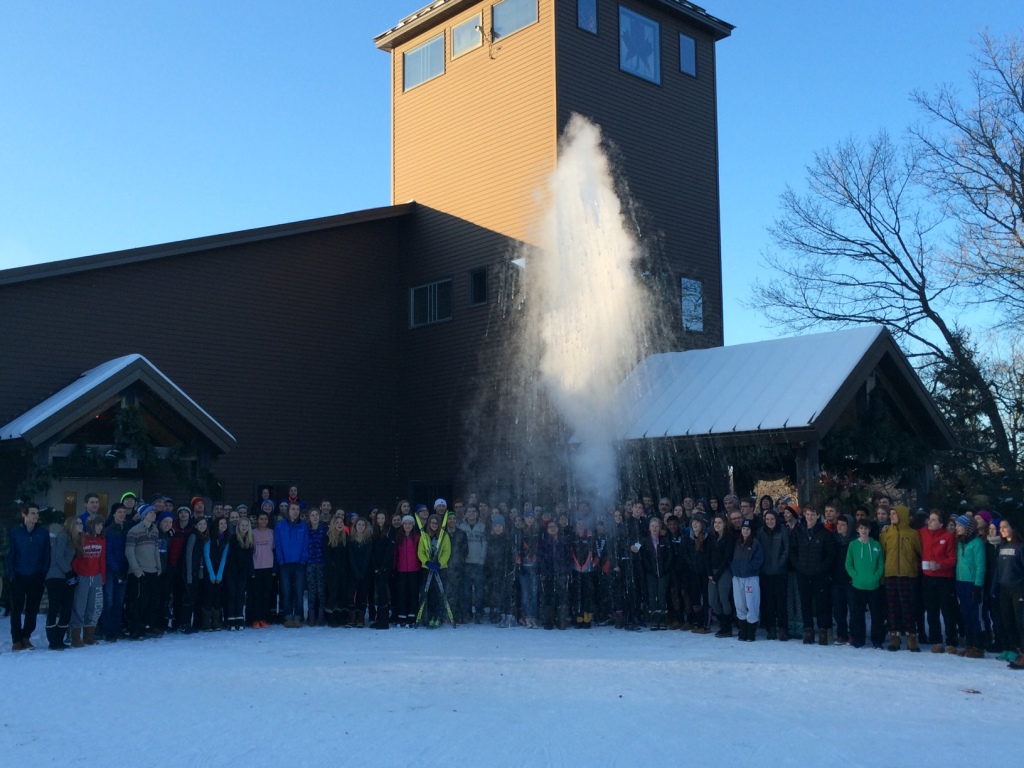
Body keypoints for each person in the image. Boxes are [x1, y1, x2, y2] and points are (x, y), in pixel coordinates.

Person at [789, 505, 835, 646]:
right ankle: (808, 630)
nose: (810, 517)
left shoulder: (825, 533)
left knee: (822, 603)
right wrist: (798, 566)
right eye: (808, 514)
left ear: (818, 516)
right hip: (802, 573)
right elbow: (793, 552)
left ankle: (822, 630)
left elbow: (830, 555)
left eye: (813, 514)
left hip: (819, 574)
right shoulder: (798, 532)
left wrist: (821, 568)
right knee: (805, 603)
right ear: (804, 515)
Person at [880, 505, 922, 651]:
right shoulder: (886, 533)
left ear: (902, 515)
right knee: (892, 607)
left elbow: (920, 552)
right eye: (890, 514)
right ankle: (894, 637)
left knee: (908, 607)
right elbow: (882, 553)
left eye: (894, 514)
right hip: (890, 574)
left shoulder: (913, 534)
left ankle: (911, 637)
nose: (891, 516)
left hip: (908, 575)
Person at [920, 509, 958, 653]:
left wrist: (940, 565)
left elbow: (952, 559)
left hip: (944, 578)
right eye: (930, 519)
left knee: (947, 610)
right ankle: (936, 640)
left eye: (934, 519)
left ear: (941, 523)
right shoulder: (922, 533)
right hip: (927, 577)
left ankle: (951, 641)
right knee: (931, 611)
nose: (930, 521)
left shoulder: (948, 537)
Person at [845, 519, 886, 649]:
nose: (864, 530)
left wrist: (876, 576)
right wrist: (855, 576)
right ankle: (859, 638)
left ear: (869, 530)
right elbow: (848, 563)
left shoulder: (876, 545)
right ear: (857, 530)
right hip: (858, 586)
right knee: (857, 614)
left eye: (866, 528)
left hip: (874, 586)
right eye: (861, 528)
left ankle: (877, 639)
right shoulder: (853, 545)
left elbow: (881, 564)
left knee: (876, 614)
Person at [124, 504, 161, 640]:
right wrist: (136, 570)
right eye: (150, 512)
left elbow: (156, 549)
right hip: (140, 571)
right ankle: (135, 630)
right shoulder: (134, 531)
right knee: (138, 602)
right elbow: (129, 551)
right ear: (144, 514)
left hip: (152, 570)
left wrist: (158, 566)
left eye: (154, 512)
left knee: (151, 601)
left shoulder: (155, 530)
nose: (153, 514)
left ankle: (146, 627)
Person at [954, 514, 986, 658]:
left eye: (960, 525)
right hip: (960, 581)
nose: (957, 528)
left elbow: (981, 566)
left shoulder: (977, 543)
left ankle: (978, 646)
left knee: (974, 615)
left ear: (968, 528)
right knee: (964, 614)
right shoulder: (960, 542)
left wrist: (978, 585)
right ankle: (969, 644)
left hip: (972, 583)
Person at [71, 514, 106, 646]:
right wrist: (77, 572)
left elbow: (102, 559)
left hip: (96, 576)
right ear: (91, 525)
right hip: (82, 576)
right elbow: (75, 559)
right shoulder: (81, 538)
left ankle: (88, 635)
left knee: (95, 606)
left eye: (101, 525)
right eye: (97, 525)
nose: (100, 527)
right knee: (79, 606)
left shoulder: (102, 540)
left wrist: (103, 576)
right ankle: (75, 636)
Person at [45, 516, 77, 651]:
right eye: (78, 524)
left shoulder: (73, 540)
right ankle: (53, 640)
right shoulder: (63, 537)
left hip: (65, 577)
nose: (81, 526)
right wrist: (69, 572)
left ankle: (60, 638)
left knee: (66, 609)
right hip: (56, 577)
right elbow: (58, 557)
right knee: (54, 608)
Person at [275, 502, 309, 629]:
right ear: (288, 511)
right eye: (293, 509)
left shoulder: (303, 526)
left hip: (299, 563)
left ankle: (299, 616)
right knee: (286, 590)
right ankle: (288, 616)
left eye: (297, 509)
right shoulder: (280, 526)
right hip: (285, 563)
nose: (295, 511)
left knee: (299, 591)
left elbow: (306, 544)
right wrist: (281, 560)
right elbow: (278, 544)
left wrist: (303, 559)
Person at [756, 508, 789, 640]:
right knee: (768, 602)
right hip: (765, 573)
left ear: (776, 520)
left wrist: (780, 563)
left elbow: (787, 549)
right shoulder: (760, 532)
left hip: (780, 572)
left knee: (781, 602)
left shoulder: (783, 531)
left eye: (772, 519)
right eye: (767, 519)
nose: (770, 521)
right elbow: (757, 550)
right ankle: (771, 628)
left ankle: (783, 628)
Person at [994, 519, 1023, 663]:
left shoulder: (1020, 546)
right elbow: (998, 570)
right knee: (1007, 620)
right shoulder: (1002, 545)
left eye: (1005, 527)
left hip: (1018, 589)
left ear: (1013, 528)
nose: (1002, 530)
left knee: (1020, 621)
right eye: (1001, 527)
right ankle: (1014, 649)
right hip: (1004, 588)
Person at [732, 519, 764, 641]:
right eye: (744, 529)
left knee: (752, 603)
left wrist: (750, 568)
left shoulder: (755, 544)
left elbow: (759, 559)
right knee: (739, 603)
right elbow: (732, 557)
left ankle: (751, 630)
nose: (745, 531)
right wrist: (734, 568)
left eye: (748, 529)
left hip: (750, 577)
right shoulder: (737, 543)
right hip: (737, 577)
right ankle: (743, 629)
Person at [417, 513, 451, 628]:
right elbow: (420, 551)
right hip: (428, 569)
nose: (434, 525)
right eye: (432, 523)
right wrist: (426, 562)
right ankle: (430, 617)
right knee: (429, 594)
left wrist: (440, 563)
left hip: (440, 569)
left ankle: (438, 617)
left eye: (436, 523)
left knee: (439, 594)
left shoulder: (445, 536)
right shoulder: (424, 535)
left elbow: (447, 551)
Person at [538, 520, 571, 630]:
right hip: (548, 572)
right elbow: (541, 558)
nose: (552, 528)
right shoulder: (544, 542)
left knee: (562, 596)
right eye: (550, 527)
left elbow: (568, 558)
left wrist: (566, 570)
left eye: (554, 526)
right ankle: (549, 620)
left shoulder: (564, 541)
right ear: (547, 530)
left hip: (561, 572)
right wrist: (543, 571)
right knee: (548, 596)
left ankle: (561, 619)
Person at [485, 514, 516, 627]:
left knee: (506, 594)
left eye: (500, 526)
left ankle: (508, 615)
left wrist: (509, 570)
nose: (497, 528)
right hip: (494, 571)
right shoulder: (491, 540)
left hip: (505, 572)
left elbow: (510, 557)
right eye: (496, 526)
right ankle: (501, 614)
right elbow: (489, 557)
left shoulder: (507, 540)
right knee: (497, 594)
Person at [459, 505, 488, 623]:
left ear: (477, 513)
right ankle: (467, 613)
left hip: (478, 563)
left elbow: (485, 544)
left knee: (479, 590)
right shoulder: (461, 527)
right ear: (465, 514)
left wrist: (482, 559)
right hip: (465, 563)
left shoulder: (482, 527)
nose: (471, 513)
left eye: (473, 511)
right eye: (469, 511)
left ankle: (479, 612)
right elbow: (459, 545)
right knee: (466, 591)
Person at [707, 514, 735, 638]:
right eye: (715, 523)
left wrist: (717, 574)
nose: (717, 525)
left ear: (725, 524)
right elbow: (706, 556)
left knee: (724, 599)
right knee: (712, 600)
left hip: (724, 571)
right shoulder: (711, 538)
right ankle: (721, 620)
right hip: (712, 572)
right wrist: (709, 573)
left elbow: (727, 557)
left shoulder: (729, 537)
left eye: (719, 522)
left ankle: (726, 626)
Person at [224, 516, 253, 630]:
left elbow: (249, 558)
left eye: (246, 525)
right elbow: (230, 557)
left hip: (243, 572)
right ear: (238, 526)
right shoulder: (233, 538)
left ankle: (240, 618)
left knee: (240, 595)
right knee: (232, 594)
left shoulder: (250, 540)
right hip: (232, 571)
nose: (244, 527)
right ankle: (230, 619)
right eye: (242, 525)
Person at [830, 515, 854, 645]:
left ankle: (853, 633)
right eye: (838, 524)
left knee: (853, 608)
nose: (839, 526)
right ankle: (841, 633)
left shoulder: (855, 540)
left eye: (843, 524)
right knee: (838, 609)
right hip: (836, 579)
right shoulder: (833, 538)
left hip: (851, 579)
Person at [203, 517, 230, 631]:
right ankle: (206, 622)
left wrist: (219, 574)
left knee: (218, 596)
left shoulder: (226, 539)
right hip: (209, 571)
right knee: (208, 596)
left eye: (225, 523)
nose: (223, 525)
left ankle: (216, 621)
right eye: (221, 523)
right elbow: (206, 556)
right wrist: (211, 574)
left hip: (219, 572)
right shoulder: (209, 538)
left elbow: (224, 557)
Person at [184, 517, 210, 632]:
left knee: (198, 598)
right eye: (200, 524)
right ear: (195, 525)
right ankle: (186, 623)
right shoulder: (193, 536)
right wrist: (189, 574)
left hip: (198, 572)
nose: (203, 526)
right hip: (191, 572)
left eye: (204, 524)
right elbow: (188, 555)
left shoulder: (203, 537)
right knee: (190, 598)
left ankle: (197, 623)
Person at [250, 511, 275, 629]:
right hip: (257, 567)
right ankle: (255, 619)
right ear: (257, 520)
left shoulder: (272, 533)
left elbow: (274, 550)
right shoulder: (252, 533)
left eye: (265, 519)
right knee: (256, 595)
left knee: (266, 595)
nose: (263, 521)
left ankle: (264, 619)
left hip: (268, 567)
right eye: (261, 519)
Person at [392, 515, 419, 627]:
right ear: (402, 525)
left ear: (413, 525)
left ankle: (412, 616)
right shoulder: (399, 537)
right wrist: (393, 568)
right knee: (402, 593)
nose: (408, 526)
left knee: (413, 593)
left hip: (414, 569)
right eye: (405, 523)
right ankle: (401, 616)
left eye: (410, 523)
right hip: (401, 569)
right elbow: (395, 554)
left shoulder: (417, 537)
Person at [347, 517, 373, 628]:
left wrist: (362, 571)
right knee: (351, 594)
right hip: (353, 572)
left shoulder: (369, 540)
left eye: (363, 525)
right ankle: (352, 617)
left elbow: (368, 557)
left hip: (365, 572)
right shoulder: (351, 540)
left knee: (363, 594)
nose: (361, 527)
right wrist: (356, 571)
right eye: (359, 524)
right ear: (355, 526)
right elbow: (350, 557)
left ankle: (361, 617)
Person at [686, 515, 711, 633]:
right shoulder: (688, 538)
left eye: (697, 522)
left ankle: (706, 624)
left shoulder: (708, 538)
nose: (694, 525)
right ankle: (699, 621)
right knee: (695, 598)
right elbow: (684, 553)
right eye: (693, 522)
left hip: (705, 573)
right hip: (692, 572)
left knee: (706, 598)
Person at [323, 514, 349, 627]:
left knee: (342, 593)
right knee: (333, 593)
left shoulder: (345, 537)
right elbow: (327, 556)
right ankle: (330, 615)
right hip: (332, 571)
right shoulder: (328, 537)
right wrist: (332, 567)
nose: (339, 524)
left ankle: (340, 614)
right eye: (337, 522)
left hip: (343, 570)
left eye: (341, 522)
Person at [372, 512, 395, 629]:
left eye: (382, 517)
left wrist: (383, 567)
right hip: (377, 567)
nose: (380, 520)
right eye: (378, 518)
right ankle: (379, 618)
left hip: (386, 567)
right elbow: (373, 550)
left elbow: (389, 551)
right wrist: (376, 566)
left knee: (383, 593)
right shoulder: (375, 532)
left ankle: (384, 621)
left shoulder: (390, 531)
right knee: (379, 593)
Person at [305, 508, 328, 626]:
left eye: (316, 515)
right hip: (310, 563)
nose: (315, 517)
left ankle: (321, 616)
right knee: (312, 590)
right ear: (309, 517)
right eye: (312, 515)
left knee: (321, 590)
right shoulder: (306, 530)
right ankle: (311, 616)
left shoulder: (325, 529)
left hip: (321, 563)